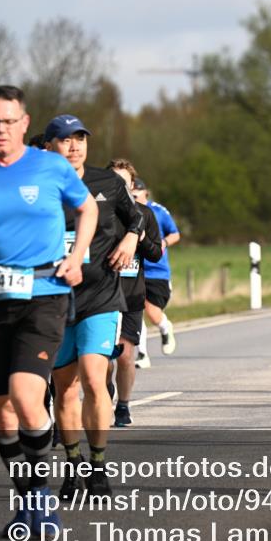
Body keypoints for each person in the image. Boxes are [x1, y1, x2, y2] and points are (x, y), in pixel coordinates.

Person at [0, 85, 97, 538]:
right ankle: (26, 499)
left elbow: (86, 209)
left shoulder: (50, 167)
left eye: (8, 121)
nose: (0, 129)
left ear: (25, 123)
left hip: (43, 295)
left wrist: (77, 255)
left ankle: (43, 499)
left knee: (28, 400)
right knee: (5, 414)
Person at [44, 115, 144, 499]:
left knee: (92, 376)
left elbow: (136, 219)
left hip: (101, 296)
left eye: (81, 139)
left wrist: (131, 240)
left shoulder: (107, 184)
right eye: (66, 140)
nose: (75, 146)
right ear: (51, 145)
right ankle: (73, 466)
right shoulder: (38, 187)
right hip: (53, 300)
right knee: (64, 389)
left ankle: (98, 466)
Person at [105, 161, 163, 427]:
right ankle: (105, 392)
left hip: (131, 295)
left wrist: (138, 238)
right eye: (114, 180)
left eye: (124, 182)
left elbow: (155, 253)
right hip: (102, 296)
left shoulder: (145, 215)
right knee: (103, 360)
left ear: (132, 185)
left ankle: (123, 406)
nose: (120, 186)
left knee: (126, 356)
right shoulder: (99, 213)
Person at [141, 187, 181, 361]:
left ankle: (165, 327)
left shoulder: (158, 211)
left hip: (156, 271)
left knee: (151, 312)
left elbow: (175, 234)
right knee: (133, 313)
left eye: (136, 193)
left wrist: (163, 242)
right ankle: (141, 354)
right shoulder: (121, 208)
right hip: (133, 270)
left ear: (145, 193)